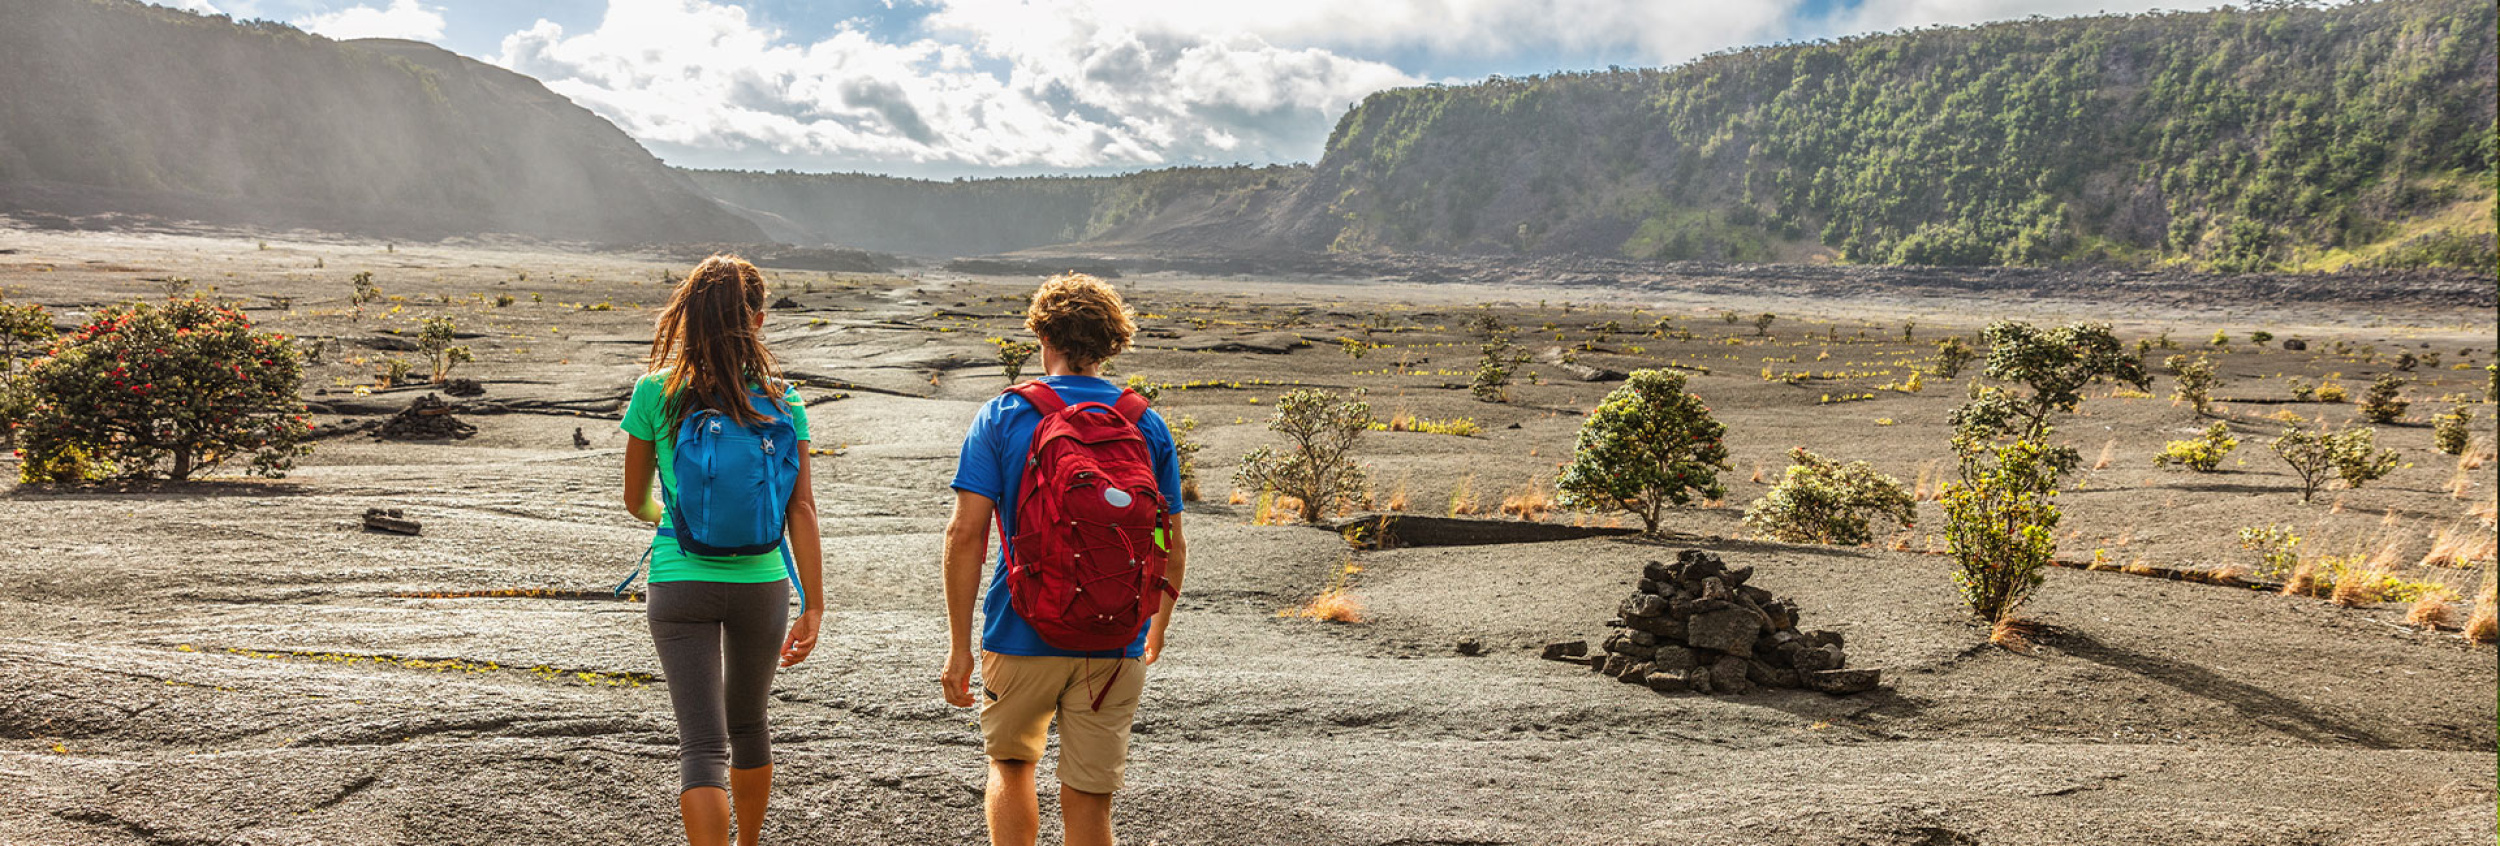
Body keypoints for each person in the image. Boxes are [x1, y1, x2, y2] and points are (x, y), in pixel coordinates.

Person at [940, 272, 1188, 846]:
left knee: (1011, 765)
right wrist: (1155, 625)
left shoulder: (1003, 415)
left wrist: (959, 645)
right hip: (1115, 639)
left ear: (1043, 336)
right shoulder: (1145, 422)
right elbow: (1171, 543)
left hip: (1020, 629)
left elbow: (965, 534)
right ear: (1110, 343)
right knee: (1091, 800)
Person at [620, 254, 825, 846]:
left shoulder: (655, 392)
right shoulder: (785, 400)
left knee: (702, 744)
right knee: (750, 725)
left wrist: (672, 519)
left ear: (689, 317)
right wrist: (814, 603)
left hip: (679, 581)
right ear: (757, 321)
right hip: (762, 585)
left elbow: (634, 499)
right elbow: (802, 509)